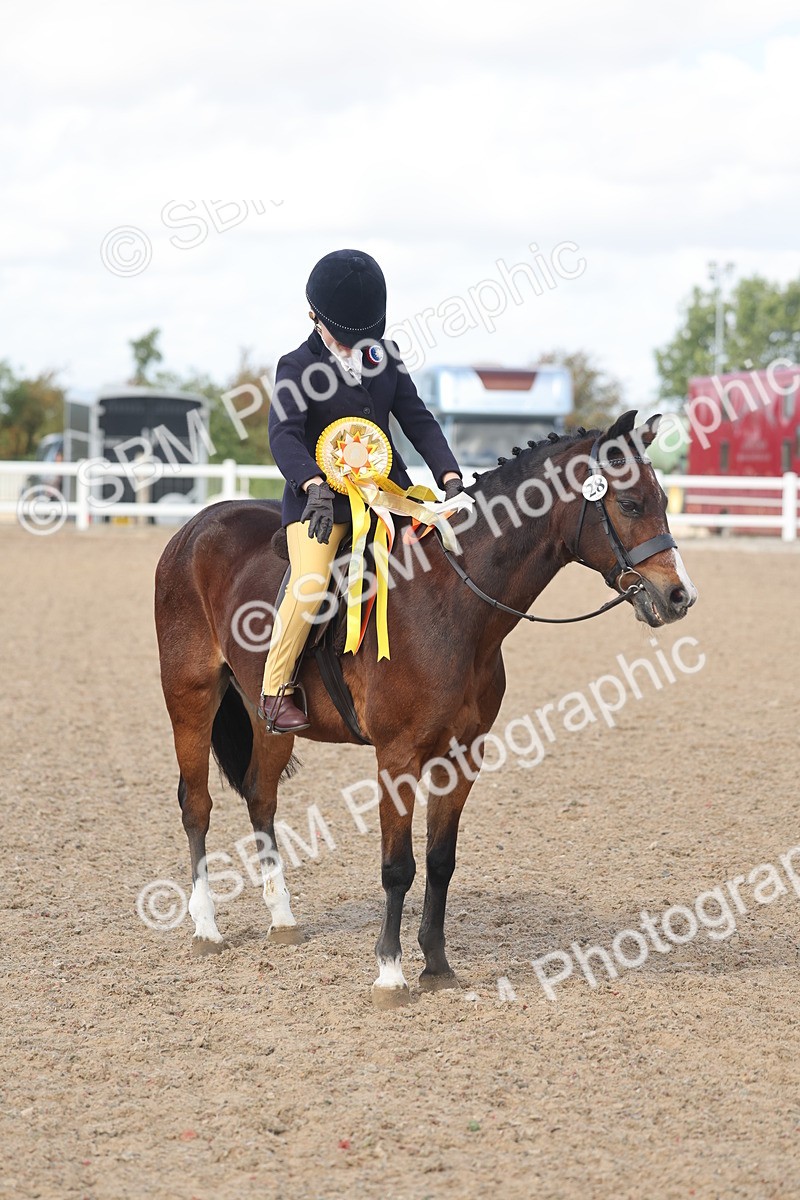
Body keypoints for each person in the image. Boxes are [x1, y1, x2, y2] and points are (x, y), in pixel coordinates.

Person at [259, 248, 465, 733]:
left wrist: (449, 477)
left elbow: (416, 418)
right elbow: (283, 434)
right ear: (314, 315)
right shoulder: (295, 366)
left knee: (447, 558)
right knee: (310, 585)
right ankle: (274, 689)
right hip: (319, 505)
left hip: (389, 495)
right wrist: (311, 483)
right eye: (345, 338)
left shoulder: (383, 357)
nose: (355, 348)